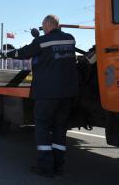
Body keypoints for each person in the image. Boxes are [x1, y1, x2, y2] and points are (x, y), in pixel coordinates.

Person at [4, 14, 78, 178]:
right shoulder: (70, 39)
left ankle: (46, 167)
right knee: (60, 129)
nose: (42, 28)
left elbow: (23, 53)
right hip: (67, 94)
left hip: (47, 93)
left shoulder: (42, 41)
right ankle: (59, 165)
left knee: (43, 129)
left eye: (43, 25)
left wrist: (7, 53)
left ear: (49, 24)